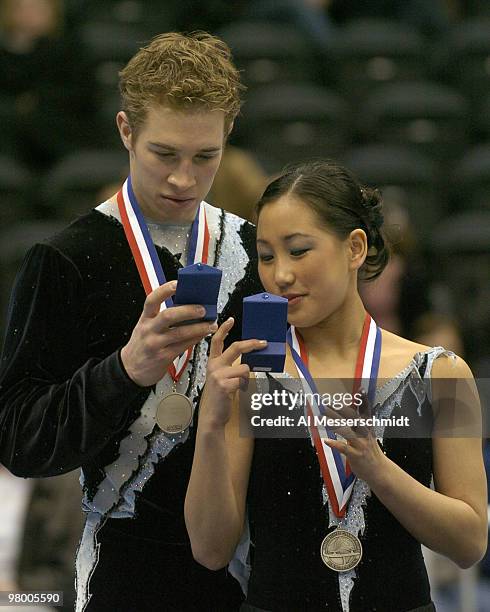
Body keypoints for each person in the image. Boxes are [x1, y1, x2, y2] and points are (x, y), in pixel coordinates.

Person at [0, 31, 262, 611]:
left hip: (254, 569)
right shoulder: (67, 260)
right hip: (127, 572)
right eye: (164, 154)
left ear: (229, 137)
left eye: (205, 157)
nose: (184, 180)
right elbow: (19, 441)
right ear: (125, 130)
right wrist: (124, 370)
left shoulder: (255, 251)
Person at [185, 160, 488, 611]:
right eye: (266, 256)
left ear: (355, 248)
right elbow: (210, 550)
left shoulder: (443, 373)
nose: (280, 275)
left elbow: (470, 543)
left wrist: (378, 469)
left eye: (299, 250)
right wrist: (209, 428)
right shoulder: (246, 376)